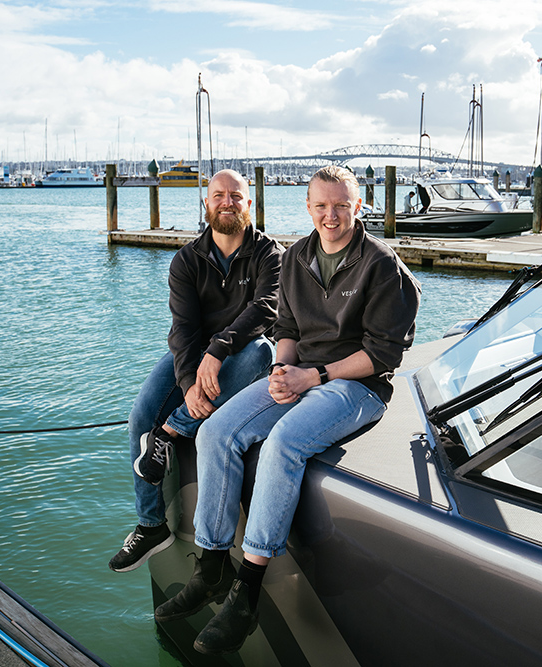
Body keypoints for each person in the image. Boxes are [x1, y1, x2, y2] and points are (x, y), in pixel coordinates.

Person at [154, 165, 421, 655]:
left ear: (358, 206)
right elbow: (288, 330)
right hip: (300, 373)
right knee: (215, 432)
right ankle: (211, 566)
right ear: (308, 207)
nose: (330, 216)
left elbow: (382, 355)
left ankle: (247, 593)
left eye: (340, 206)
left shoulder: (382, 265)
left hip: (356, 386)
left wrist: (312, 377)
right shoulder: (297, 256)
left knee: (282, 444)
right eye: (321, 206)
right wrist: (281, 369)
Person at [108, 169, 283, 573]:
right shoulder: (187, 260)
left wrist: (219, 349)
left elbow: (266, 309)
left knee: (260, 350)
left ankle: (171, 432)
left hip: (245, 355)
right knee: (140, 416)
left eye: (235, 196)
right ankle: (151, 525)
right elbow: (183, 330)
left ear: (249, 203)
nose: (227, 202)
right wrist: (189, 383)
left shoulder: (269, 254)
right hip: (197, 358)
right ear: (207, 203)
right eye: (218, 195)